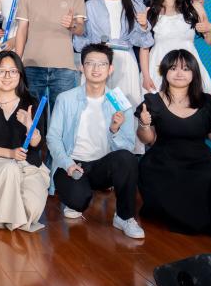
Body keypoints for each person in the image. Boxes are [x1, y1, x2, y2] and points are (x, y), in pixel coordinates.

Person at [47, 43, 145, 239]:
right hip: (72, 164)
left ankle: (124, 217)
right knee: (77, 201)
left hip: (101, 165)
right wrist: (67, 164)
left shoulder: (120, 101)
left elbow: (126, 147)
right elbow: (53, 137)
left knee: (127, 159)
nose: (96, 69)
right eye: (90, 63)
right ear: (81, 67)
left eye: (102, 64)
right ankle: (77, 197)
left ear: (110, 69)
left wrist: (114, 130)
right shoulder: (66, 99)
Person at [136, 50, 211, 241]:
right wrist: (144, 124)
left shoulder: (209, 102)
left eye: (186, 68)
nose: (179, 73)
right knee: (163, 173)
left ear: (194, 73)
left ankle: (207, 221)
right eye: (173, 68)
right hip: (162, 159)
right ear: (165, 71)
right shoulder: (152, 101)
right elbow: (148, 139)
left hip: (199, 158)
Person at [0, 51, 48, 232]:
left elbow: (38, 144)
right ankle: (0, 215)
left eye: (13, 71)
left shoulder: (32, 103)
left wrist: (30, 127)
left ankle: (4, 207)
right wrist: (11, 154)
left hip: (29, 164)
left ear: (20, 75)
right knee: (10, 168)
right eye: (1, 71)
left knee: (31, 211)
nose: (7, 76)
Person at [74, 0, 153, 132]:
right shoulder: (89, 5)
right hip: (97, 62)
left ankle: (127, 144)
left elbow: (143, 42)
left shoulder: (136, 4)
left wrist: (143, 26)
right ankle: (95, 144)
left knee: (125, 107)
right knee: (95, 106)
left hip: (125, 63)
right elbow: (79, 42)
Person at [13, 0, 86, 107]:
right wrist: (17, 62)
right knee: (32, 115)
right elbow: (22, 30)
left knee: (63, 116)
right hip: (32, 66)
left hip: (64, 67)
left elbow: (81, 29)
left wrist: (72, 25)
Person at [141, 0, 211, 95]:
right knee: (157, 105)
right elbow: (144, 48)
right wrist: (146, 77)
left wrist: (210, 28)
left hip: (188, 66)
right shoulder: (150, 11)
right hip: (157, 67)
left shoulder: (194, 7)